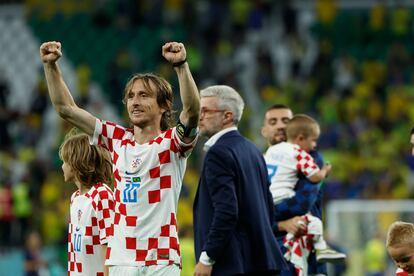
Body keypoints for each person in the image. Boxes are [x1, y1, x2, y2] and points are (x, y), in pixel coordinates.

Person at [40, 41, 200, 275]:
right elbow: (66, 108)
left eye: (144, 95)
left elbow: (193, 112)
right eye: (131, 96)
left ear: (164, 105)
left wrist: (182, 67)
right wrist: (50, 66)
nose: (135, 101)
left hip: (161, 260)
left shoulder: (171, 144)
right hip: (121, 261)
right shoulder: (118, 139)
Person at [193, 85, 286, 276]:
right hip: (260, 262)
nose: (199, 116)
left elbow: (227, 212)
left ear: (227, 116)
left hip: (232, 265)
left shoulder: (218, 153)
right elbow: (268, 209)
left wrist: (207, 258)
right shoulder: (253, 151)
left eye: (205, 111)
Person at [264, 114, 346, 266]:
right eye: (313, 140)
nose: (314, 145)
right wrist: (325, 171)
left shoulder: (271, 151)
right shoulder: (299, 153)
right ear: (300, 138)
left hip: (266, 202)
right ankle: (320, 249)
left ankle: (294, 248)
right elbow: (315, 177)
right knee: (312, 221)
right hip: (283, 202)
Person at [261, 104, 327, 275]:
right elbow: (247, 215)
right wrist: (281, 224)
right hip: (268, 254)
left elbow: (300, 205)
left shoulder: (311, 158)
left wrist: (263, 218)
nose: (280, 125)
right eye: (273, 121)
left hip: (304, 251)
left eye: (286, 121)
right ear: (264, 131)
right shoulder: (260, 161)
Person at [59, 131, 114, 275]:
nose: (62, 167)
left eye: (65, 161)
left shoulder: (101, 195)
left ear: (76, 162)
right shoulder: (75, 198)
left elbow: (110, 247)